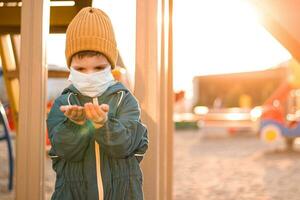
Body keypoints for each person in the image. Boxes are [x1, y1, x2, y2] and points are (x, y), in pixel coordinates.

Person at [46, 7, 148, 200]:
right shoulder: (63, 103)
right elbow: (64, 150)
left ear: (111, 65)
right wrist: (75, 126)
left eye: (99, 67)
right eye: (81, 68)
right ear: (70, 67)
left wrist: (103, 125)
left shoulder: (125, 101)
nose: (90, 75)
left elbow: (124, 145)